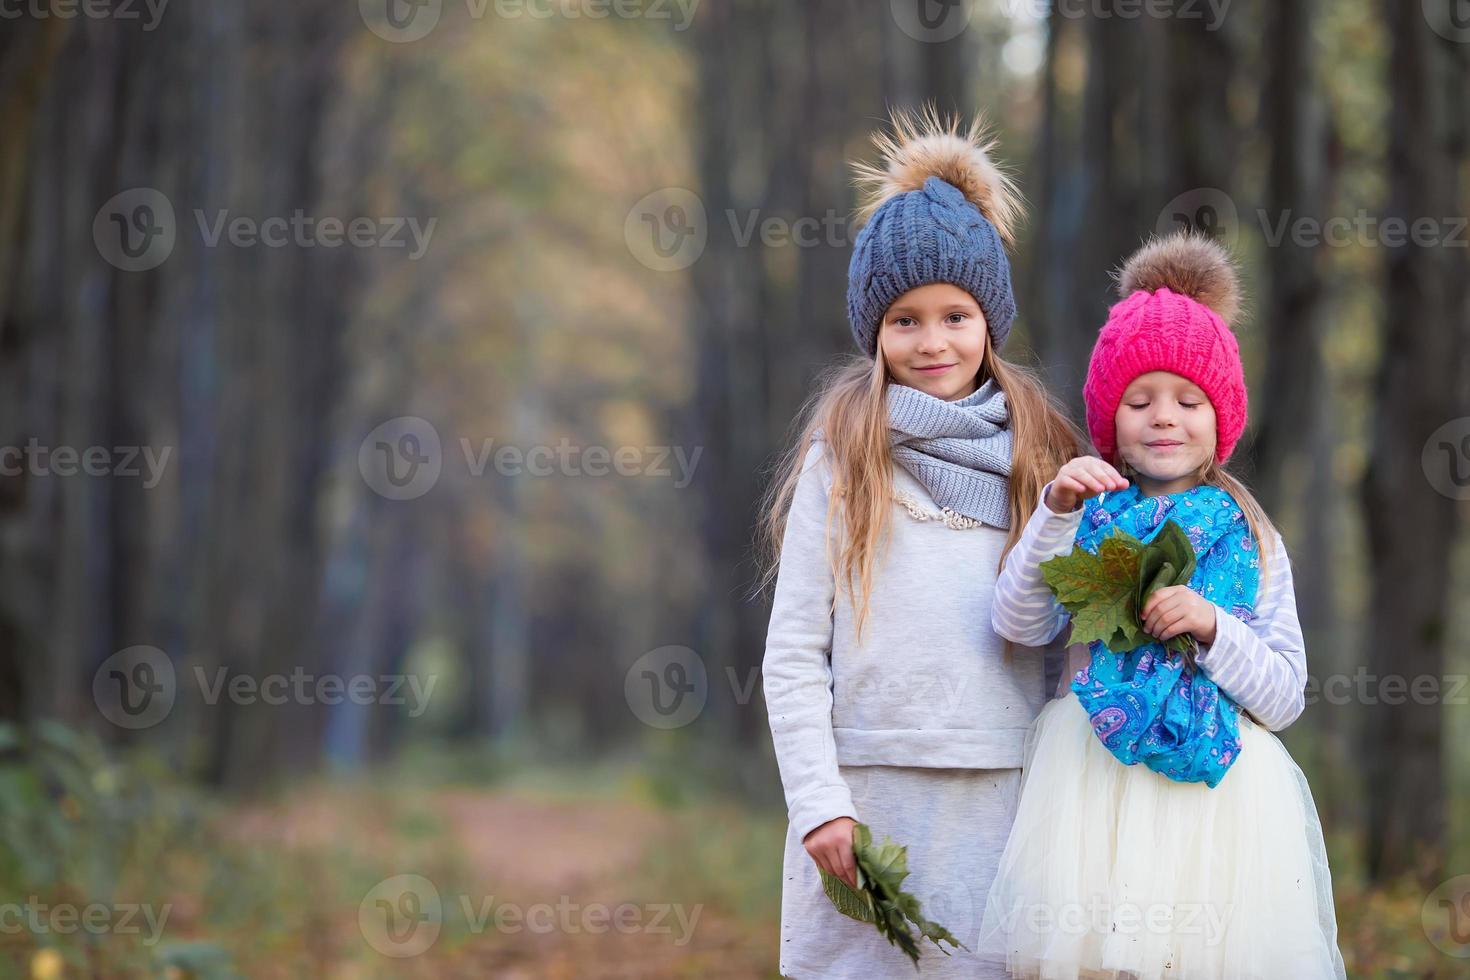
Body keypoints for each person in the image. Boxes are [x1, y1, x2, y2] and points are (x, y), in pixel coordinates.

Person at [758, 107, 1080, 978]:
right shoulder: (846, 453)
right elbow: (793, 652)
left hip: (1001, 787)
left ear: (990, 319)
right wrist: (820, 804)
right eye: (904, 320)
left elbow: (1059, 644)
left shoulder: (1040, 457)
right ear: (875, 329)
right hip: (866, 791)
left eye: (954, 315)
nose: (932, 341)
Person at [980, 231, 1347, 979]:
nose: (1164, 417)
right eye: (1139, 400)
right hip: (1090, 787)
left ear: (1223, 418)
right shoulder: (1085, 514)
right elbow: (1016, 623)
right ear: (1110, 418)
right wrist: (1052, 511)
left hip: (1218, 804)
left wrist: (1214, 627)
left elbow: (1284, 695)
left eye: (1189, 400)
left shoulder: (1250, 535)